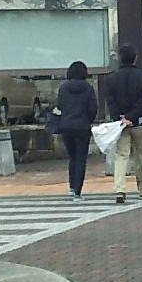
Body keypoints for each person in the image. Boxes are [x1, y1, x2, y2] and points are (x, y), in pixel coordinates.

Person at [104, 43, 142, 204]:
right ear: (135, 58)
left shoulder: (111, 79)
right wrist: (132, 117)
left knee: (121, 155)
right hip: (140, 121)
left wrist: (120, 117)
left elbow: (110, 102)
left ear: (119, 58)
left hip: (120, 124)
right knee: (141, 156)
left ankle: (120, 189)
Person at [53, 60, 97, 200]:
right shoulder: (88, 88)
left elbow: (59, 105)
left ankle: (71, 187)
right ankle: (78, 191)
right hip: (82, 126)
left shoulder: (63, 88)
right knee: (81, 159)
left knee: (72, 158)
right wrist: (88, 120)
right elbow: (93, 109)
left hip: (66, 126)